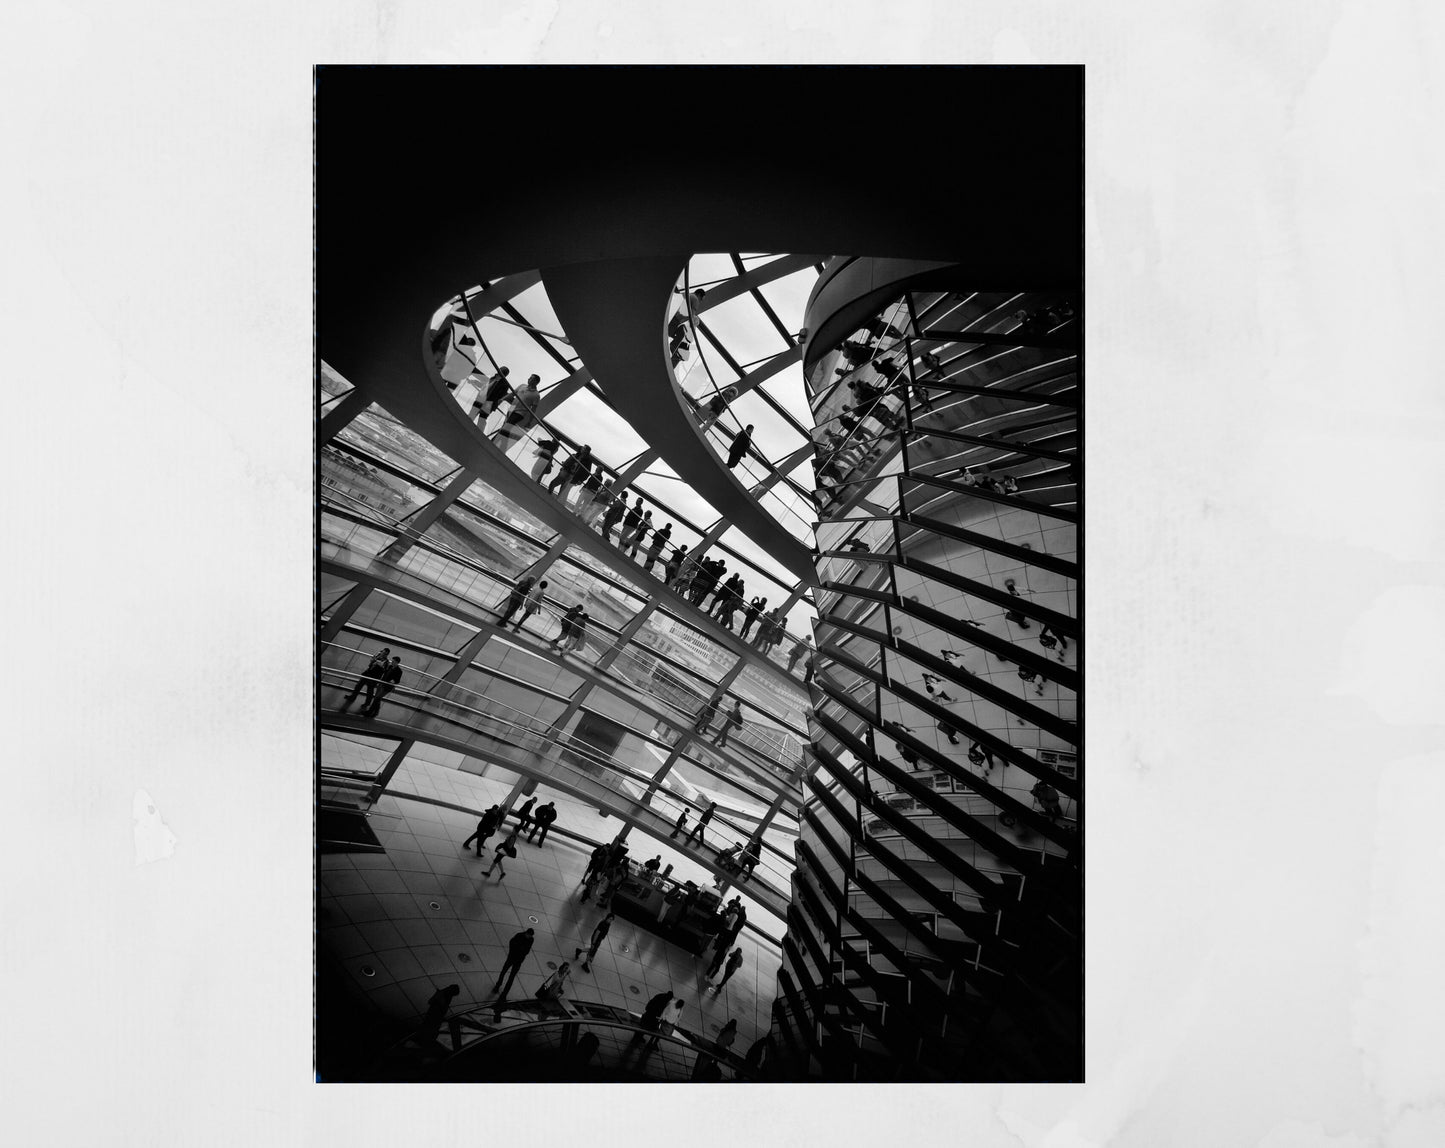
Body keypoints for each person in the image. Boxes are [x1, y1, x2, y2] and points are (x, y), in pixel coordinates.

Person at [492, 373, 540, 447]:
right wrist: (502, 399)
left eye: (531, 379)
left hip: (520, 413)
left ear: (536, 382)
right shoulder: (522, 386)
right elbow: (512, 394)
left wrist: (530, 421)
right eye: (529, 378)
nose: (529, 379)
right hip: (512, 408)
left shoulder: (536, 395)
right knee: (505, 427)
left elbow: (533, 409)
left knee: (506, 426)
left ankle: (492, 442)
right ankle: (503, 446)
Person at [338, 646, 389, 713]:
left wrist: (380, 665)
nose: (382, 653)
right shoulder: (378, 655)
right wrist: (373, 661)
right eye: (382, 652)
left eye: (384, 653)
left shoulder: (386, 661)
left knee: (369, 691)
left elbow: (384, 670)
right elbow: (370, 664)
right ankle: (353, 697)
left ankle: (367, 703)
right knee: (358, 685)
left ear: (386, 654)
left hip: (374, 677)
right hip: (368, 673)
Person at [493, 927, 535, 998]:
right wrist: (518, 950)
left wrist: (521, 950)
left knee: (511, 977)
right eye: (529, 935)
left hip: (518, 961)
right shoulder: (519, 935)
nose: (529, 937)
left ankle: (504, 993)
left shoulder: (531, 939)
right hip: (512, 958)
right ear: (526, 933)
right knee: (504, 971)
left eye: (531, 936)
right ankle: (498, 985)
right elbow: (511, 943)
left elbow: (527, 950)